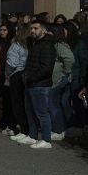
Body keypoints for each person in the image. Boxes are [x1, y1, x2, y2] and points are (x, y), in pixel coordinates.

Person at [20, 20, 56, 149]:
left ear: (44, 30)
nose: (32, 31)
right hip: (32, 84)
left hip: (40, 85)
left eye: (35, 28)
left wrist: (30, 77)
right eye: (31, 28)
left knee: (42, 113)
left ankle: (46, 140)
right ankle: (32, 136)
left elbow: (46, 67)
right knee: (30, 112)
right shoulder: (37, 44)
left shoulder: (47, 45)